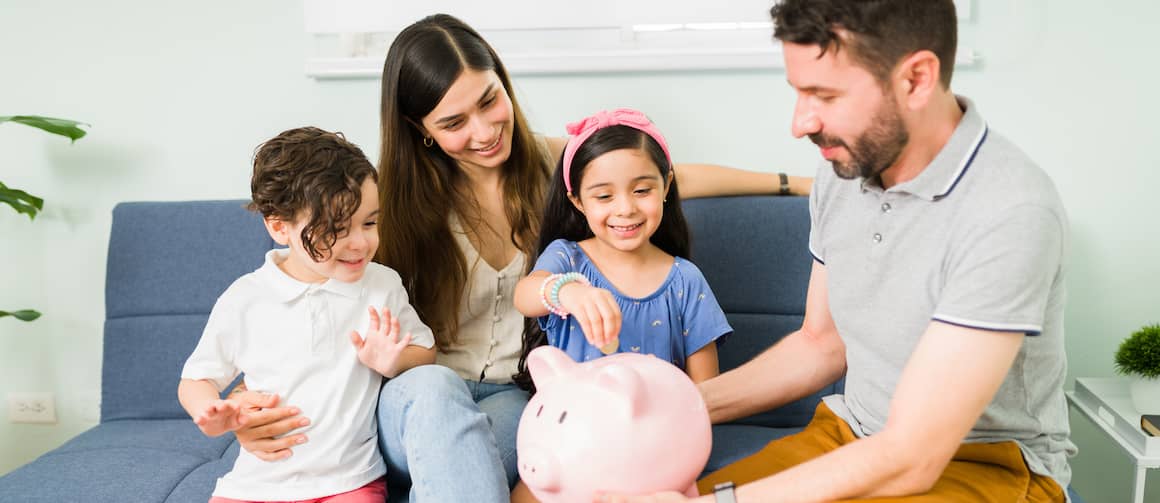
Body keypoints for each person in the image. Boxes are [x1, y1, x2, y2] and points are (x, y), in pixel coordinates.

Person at [228, 14, 811, 502]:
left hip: (514, 397)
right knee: (436, 393)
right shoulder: (386, 207)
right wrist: (255, 411)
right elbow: (313, 298)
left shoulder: (555, 168)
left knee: (497, 440)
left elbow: (663, 175)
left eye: (490, 101)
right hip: (413, 399)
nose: (484, 130)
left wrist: (801, 184)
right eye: (454, 123)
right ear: (421, 129)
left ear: (503, 83)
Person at [606, 1, 1074, 502]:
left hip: (985, 463)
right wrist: (680, 405)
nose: (800, 123)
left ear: (916, 79)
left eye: (823, 95)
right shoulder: (841, 173)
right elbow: (822, 344)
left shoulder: (1009, 208)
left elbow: (912, 456)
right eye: (798, 92)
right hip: (851, 433)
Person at [177, 127, 437, 502]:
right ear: (280, 226)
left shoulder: (381, 285)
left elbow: (426, 350)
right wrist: (212, 412)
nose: (361, 243)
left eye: (369, 222)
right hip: (255, 485)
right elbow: (195, 379)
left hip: (349, 481)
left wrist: (393, 360)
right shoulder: (246, 299)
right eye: (336, 229)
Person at [513, 108, 731, 383]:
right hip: (577, 423)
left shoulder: (686, 281)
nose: (625, 209)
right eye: (604, 196)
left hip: (660, 424)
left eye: (641, 191)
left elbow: (706, 392)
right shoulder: (567, 257)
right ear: (578, 201)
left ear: (666, 186)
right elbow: (524, 296)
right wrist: (566, 291)